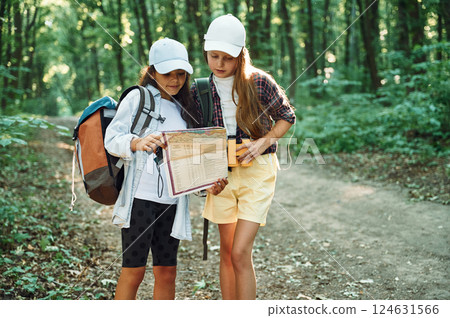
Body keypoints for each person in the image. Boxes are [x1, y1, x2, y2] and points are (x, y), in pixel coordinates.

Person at [105, 38, 227, 300]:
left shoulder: (186, 108)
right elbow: (112, 138)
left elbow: (189, 163)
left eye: (181, 74)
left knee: (167, 272)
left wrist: (207, 185)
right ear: (151, 71)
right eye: (167, 73)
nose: (175, 80)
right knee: (133, 271)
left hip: (172, 203)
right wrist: (136, 142)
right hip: (140, 199)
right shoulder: (139, 98)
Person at [191, 14, 296, 300]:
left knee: (240, 252)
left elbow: (287, 117)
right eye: (214, 56)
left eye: (228, 58)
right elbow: (195, 143)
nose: (220, 64)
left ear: (240, 56)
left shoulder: (259, 82)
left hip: (257, 172)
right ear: (206, 53)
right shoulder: (199, 90)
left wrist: (262, 143)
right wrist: (206, 183)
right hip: (220, 174)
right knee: (226, 252)